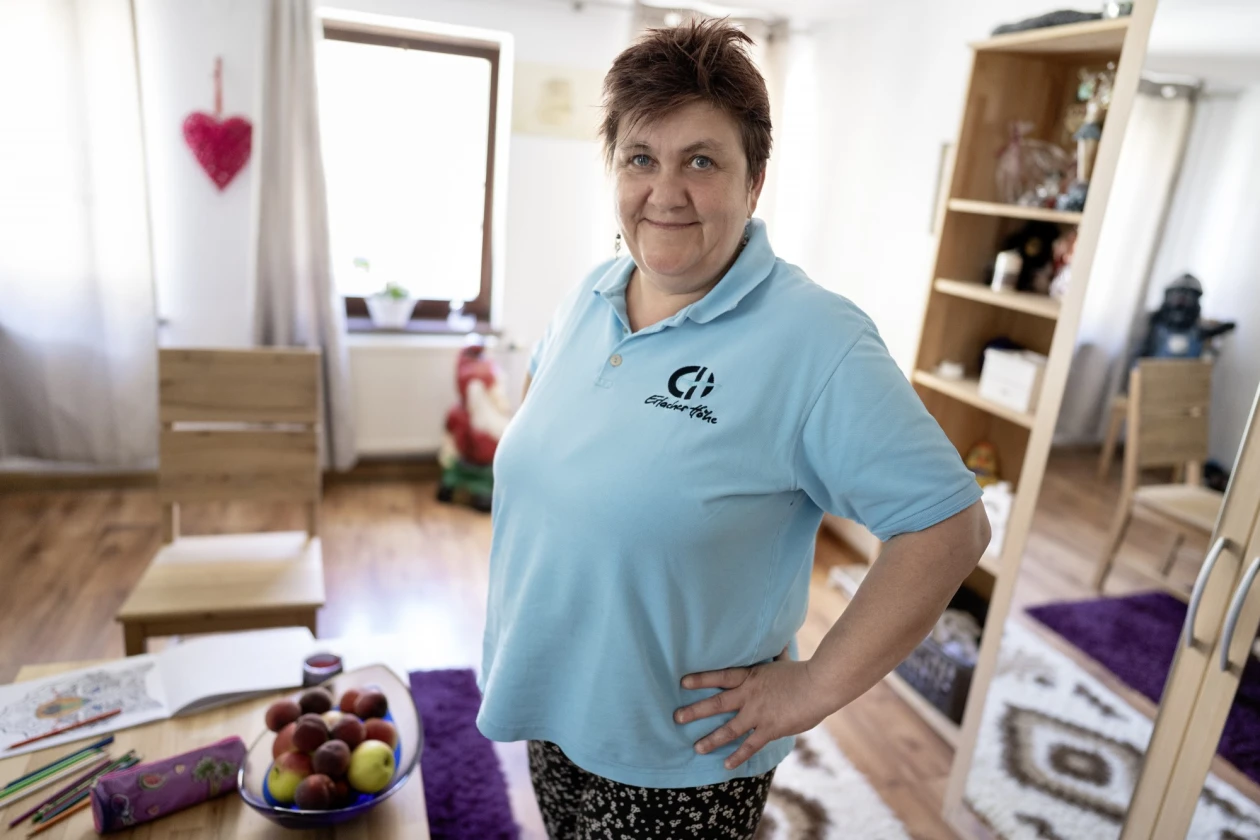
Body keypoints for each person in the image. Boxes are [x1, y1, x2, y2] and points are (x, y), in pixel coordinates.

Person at [476, 19, 990, 839]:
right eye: (641, 157)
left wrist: (813, 685)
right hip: (552, 707)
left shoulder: (816, 338)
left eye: (702, 161)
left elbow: (949, 525)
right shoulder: (590, 295)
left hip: (673, 762)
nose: (666, 191)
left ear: (754, 184)